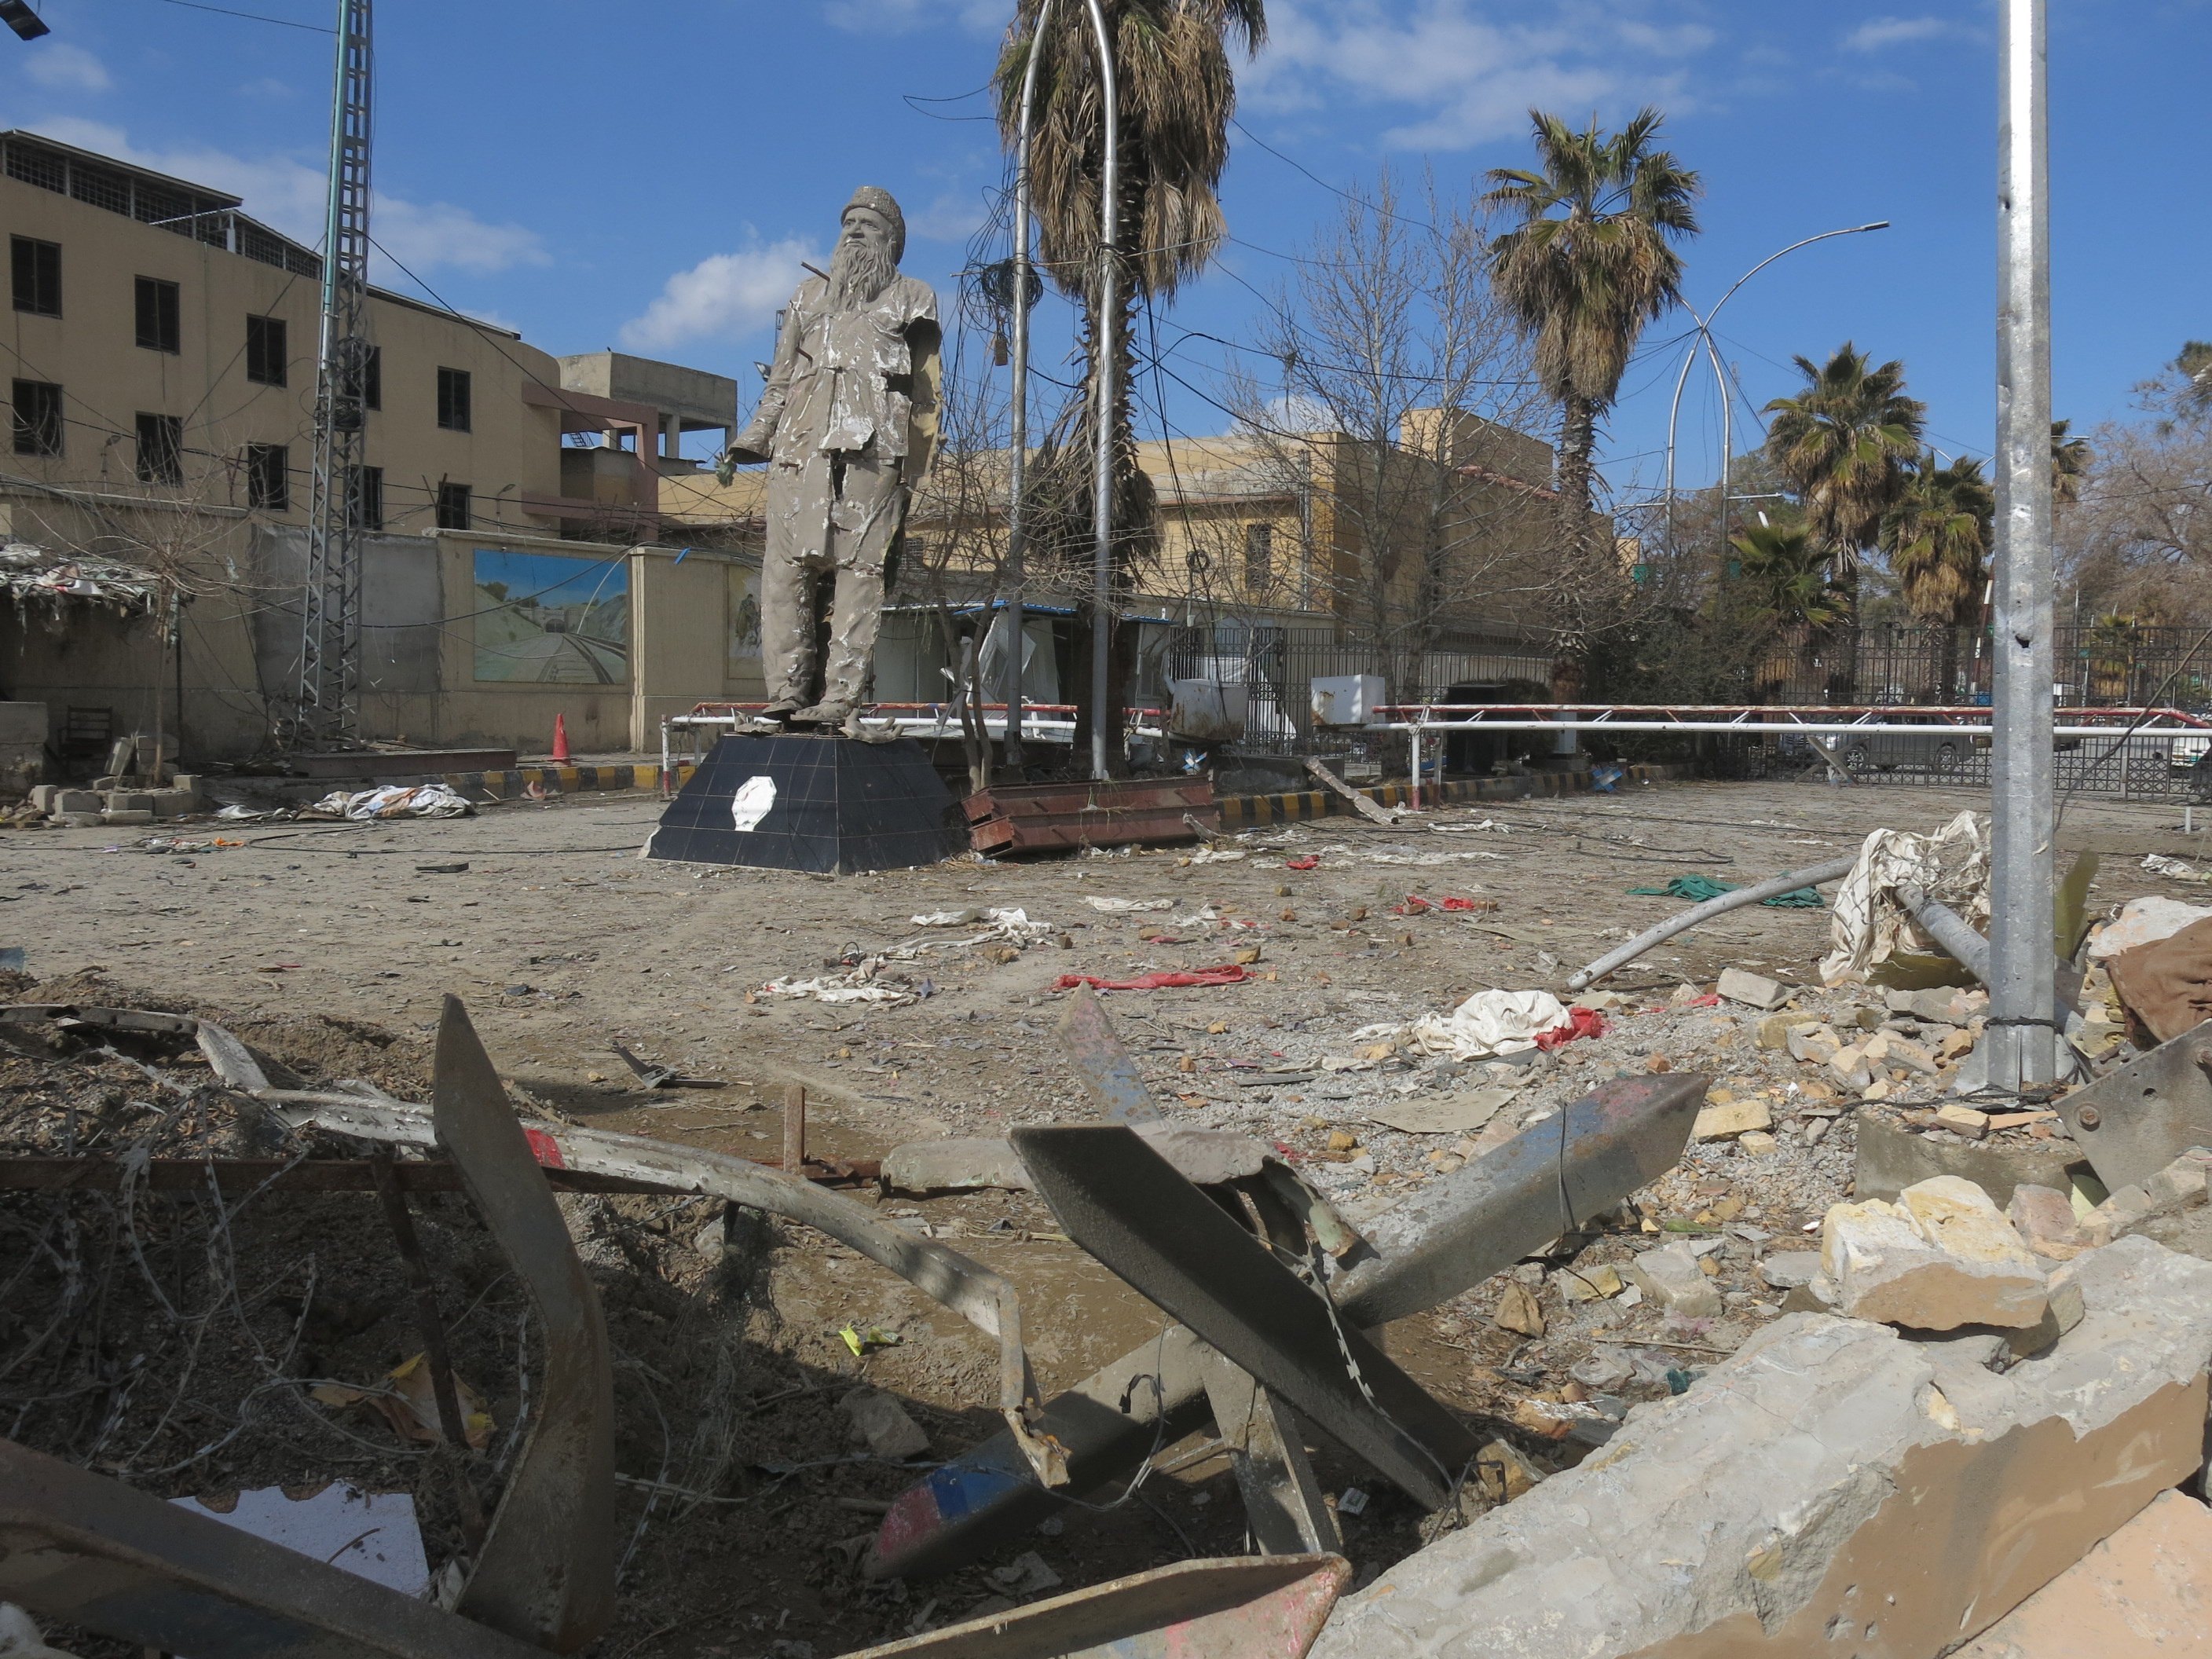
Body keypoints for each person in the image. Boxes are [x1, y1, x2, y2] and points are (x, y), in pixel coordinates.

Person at [722, 187, 939, 732]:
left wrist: (915, 468)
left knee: (859, 572)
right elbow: (780, 379)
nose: (855, 231)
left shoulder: (912, 297)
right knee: (784, 572)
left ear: (892, 240)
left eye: (869, 224)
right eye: (849, 223)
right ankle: (785, 694)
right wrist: (753, 439)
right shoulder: (807, 296)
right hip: (798, 454)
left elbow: (927, 392)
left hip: (873, 454)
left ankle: (841, 697)